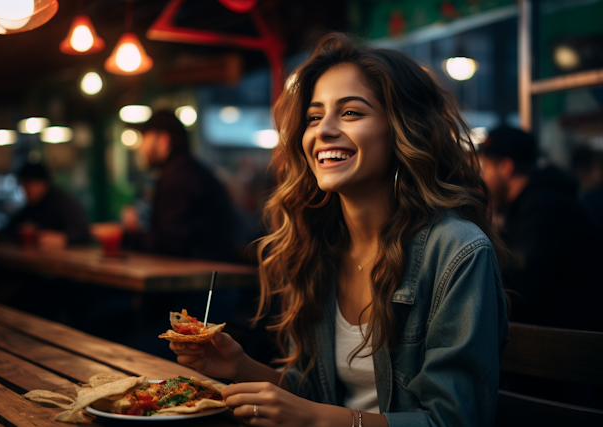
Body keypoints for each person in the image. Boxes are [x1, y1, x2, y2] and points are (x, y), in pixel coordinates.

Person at [171, 33, 509, 427]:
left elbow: (454, 420)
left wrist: (316, 420)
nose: (323, 131)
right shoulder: (319, 247)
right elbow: (317, 395)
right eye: (314, 117)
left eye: (350, 113)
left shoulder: (457, 251)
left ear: (403, 130)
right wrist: (240, 366)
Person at [479, 127, 603, 332]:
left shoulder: (547, 209)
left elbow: (518, 293)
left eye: (486, 168)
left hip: (571, 351)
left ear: (506, 167)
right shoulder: (530, 206)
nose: (482, 178)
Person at [119, 110, 238, 262]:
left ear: (163, 140)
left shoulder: (179, 177)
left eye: (145, 139)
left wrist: (128, 236)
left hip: (203, 279)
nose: (141, 148)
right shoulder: (187, 170)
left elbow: (169, 244)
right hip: (211, 273)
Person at [1, 162, 91, 248]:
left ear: (44, 183)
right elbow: (11, 228)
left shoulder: (62, 202)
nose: (26, 191)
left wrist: (64, 239)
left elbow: (83, 233)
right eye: (24, 186)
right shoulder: (31, 206)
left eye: (30, 185)